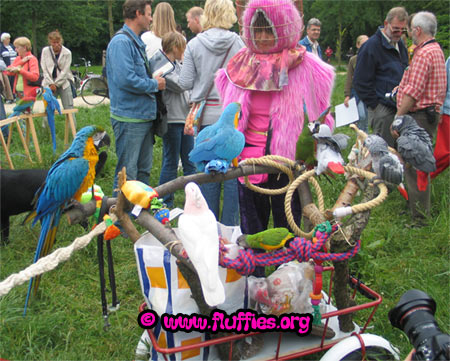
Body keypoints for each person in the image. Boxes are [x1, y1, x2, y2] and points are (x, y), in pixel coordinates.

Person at [215, 0, 334, 239]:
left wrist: (320, 146)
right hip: (247, 162)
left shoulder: (306, 65)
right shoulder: (241, 64)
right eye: (257, 30)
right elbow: (228, 119)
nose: (263, 36)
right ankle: (255, 272)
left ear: (284, 28)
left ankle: (288, 272)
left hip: (288, 162)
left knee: (288, 225)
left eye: (269, 29)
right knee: (252, 226)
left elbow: (323, 115)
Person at [178, 0, 245, 226]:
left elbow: (185, 81)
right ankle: (231, 230)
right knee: (234, 178)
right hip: (232, 119)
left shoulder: (194, 44)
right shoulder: (238, 43)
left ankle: (209, 229)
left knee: (208, 175)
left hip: (205, 119)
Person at [106, 0, 166, 194]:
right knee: (127, 173)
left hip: (143, 117)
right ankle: (119, 220)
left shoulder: (136, 41)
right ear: (138, 14)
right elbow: (126, 80)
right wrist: (154, 84)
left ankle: (139, 218)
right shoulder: (121, 42)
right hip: (129, 119)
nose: (151, 18)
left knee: (143, 172)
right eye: (149, 14)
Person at [395, 11, 446, 222]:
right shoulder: (436, 50)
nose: (409, 34)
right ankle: (415, 208)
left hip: (418, 117)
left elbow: (413, 91)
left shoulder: (423, 54)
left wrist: (398, 117)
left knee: (415, 168)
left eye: (410, 30)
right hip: (429, 115)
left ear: (417, 30)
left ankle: (419, 218)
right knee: (417, 166)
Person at [353, 7, 409, 148]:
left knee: (400, 152)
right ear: (386, 24)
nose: (399, 33)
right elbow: (360, 81)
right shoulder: (370, 46)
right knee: (385, 154)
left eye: (402, 30)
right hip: (382, 109)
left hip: (399, 107)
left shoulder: (400, 44)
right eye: (396, 29)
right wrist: (376, 106)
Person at [159, 32, 196, 207]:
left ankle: (194, 199)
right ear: (175, 47)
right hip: (173, 120)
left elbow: (187, 86)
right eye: (183, 46)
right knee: (171, 162)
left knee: (190, 161)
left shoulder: (177, 65)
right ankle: (165, 201)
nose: (185, 50)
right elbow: (182, 85)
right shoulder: (164, 68)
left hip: (184, 118)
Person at [41, 30, 76, 126]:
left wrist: (56, 84)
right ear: (50, 42)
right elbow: (44, 69)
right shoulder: (45, 51)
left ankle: (72, 130)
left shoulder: (67, 53)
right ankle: (47, 131)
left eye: (58, 42)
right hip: (49, 83)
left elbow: (65, 71)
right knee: (48, 108)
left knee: (69, 108)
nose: (56, 44)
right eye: (53, 42)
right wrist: (51, 83)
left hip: (63, 83)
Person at [344, 35, 369, 132]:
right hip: (357, 92)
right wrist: (347, 95)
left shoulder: (372, 58)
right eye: (363, 44)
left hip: (368, 91)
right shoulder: (353, 60)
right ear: (358, 45)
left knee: (366, 118)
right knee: (361, 115)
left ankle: (364, 140)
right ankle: (361, 137)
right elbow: (349, 78)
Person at [4, 36, 40, 102]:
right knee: (19, 112)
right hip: (18, 93)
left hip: (29, 93)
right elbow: (8, 71)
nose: (15, 50)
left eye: (17, 47)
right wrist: (22, 62)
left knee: (27, 112)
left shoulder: (32, 59)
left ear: (24, 48)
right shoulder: (18, 58)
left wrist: (20, 71)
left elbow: (35, 77)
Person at [1, 33, 17, 103]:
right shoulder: (1, 47)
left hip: (14, 67)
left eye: (9, 38)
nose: (9, 40)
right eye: (7, 38)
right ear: (3, 39)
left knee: (14, 82)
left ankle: (13, 96)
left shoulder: (12, 47)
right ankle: (8, 97)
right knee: (8, 83)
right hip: (6, 68)